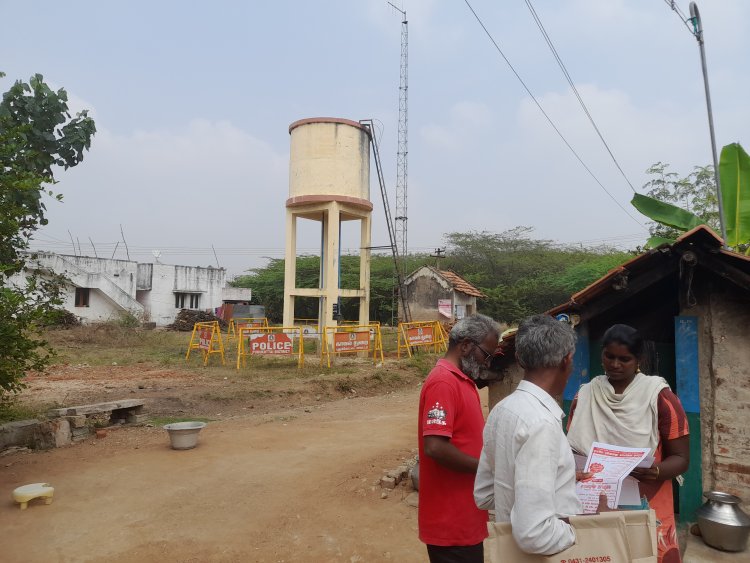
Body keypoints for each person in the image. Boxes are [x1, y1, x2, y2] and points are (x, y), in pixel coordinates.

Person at [566, 324, 689, 563]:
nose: (615, 364)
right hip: (594, 501)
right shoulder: (586, 394)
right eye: (609, 356)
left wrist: (654, 471)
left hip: (647, 501)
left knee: (647, 555)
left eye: (624, 359)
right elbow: (571, 450)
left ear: (639, 359)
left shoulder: (660, 397)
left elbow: (682, 459)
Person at [474, 314, 584, 555]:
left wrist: (539, 489)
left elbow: (484, 495)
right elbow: (534, 534)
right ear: (567, 361)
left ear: (520, 359)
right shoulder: (541, 423)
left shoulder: (502, 410)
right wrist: (579, 532)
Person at [417, 313, 500, 563]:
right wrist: (488, 468)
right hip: (450, 521)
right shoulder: (443, 382)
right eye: (486, 354)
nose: (487, 363)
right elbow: (434, 447)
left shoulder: (462, 381)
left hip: (465, 516)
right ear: (464, 346)